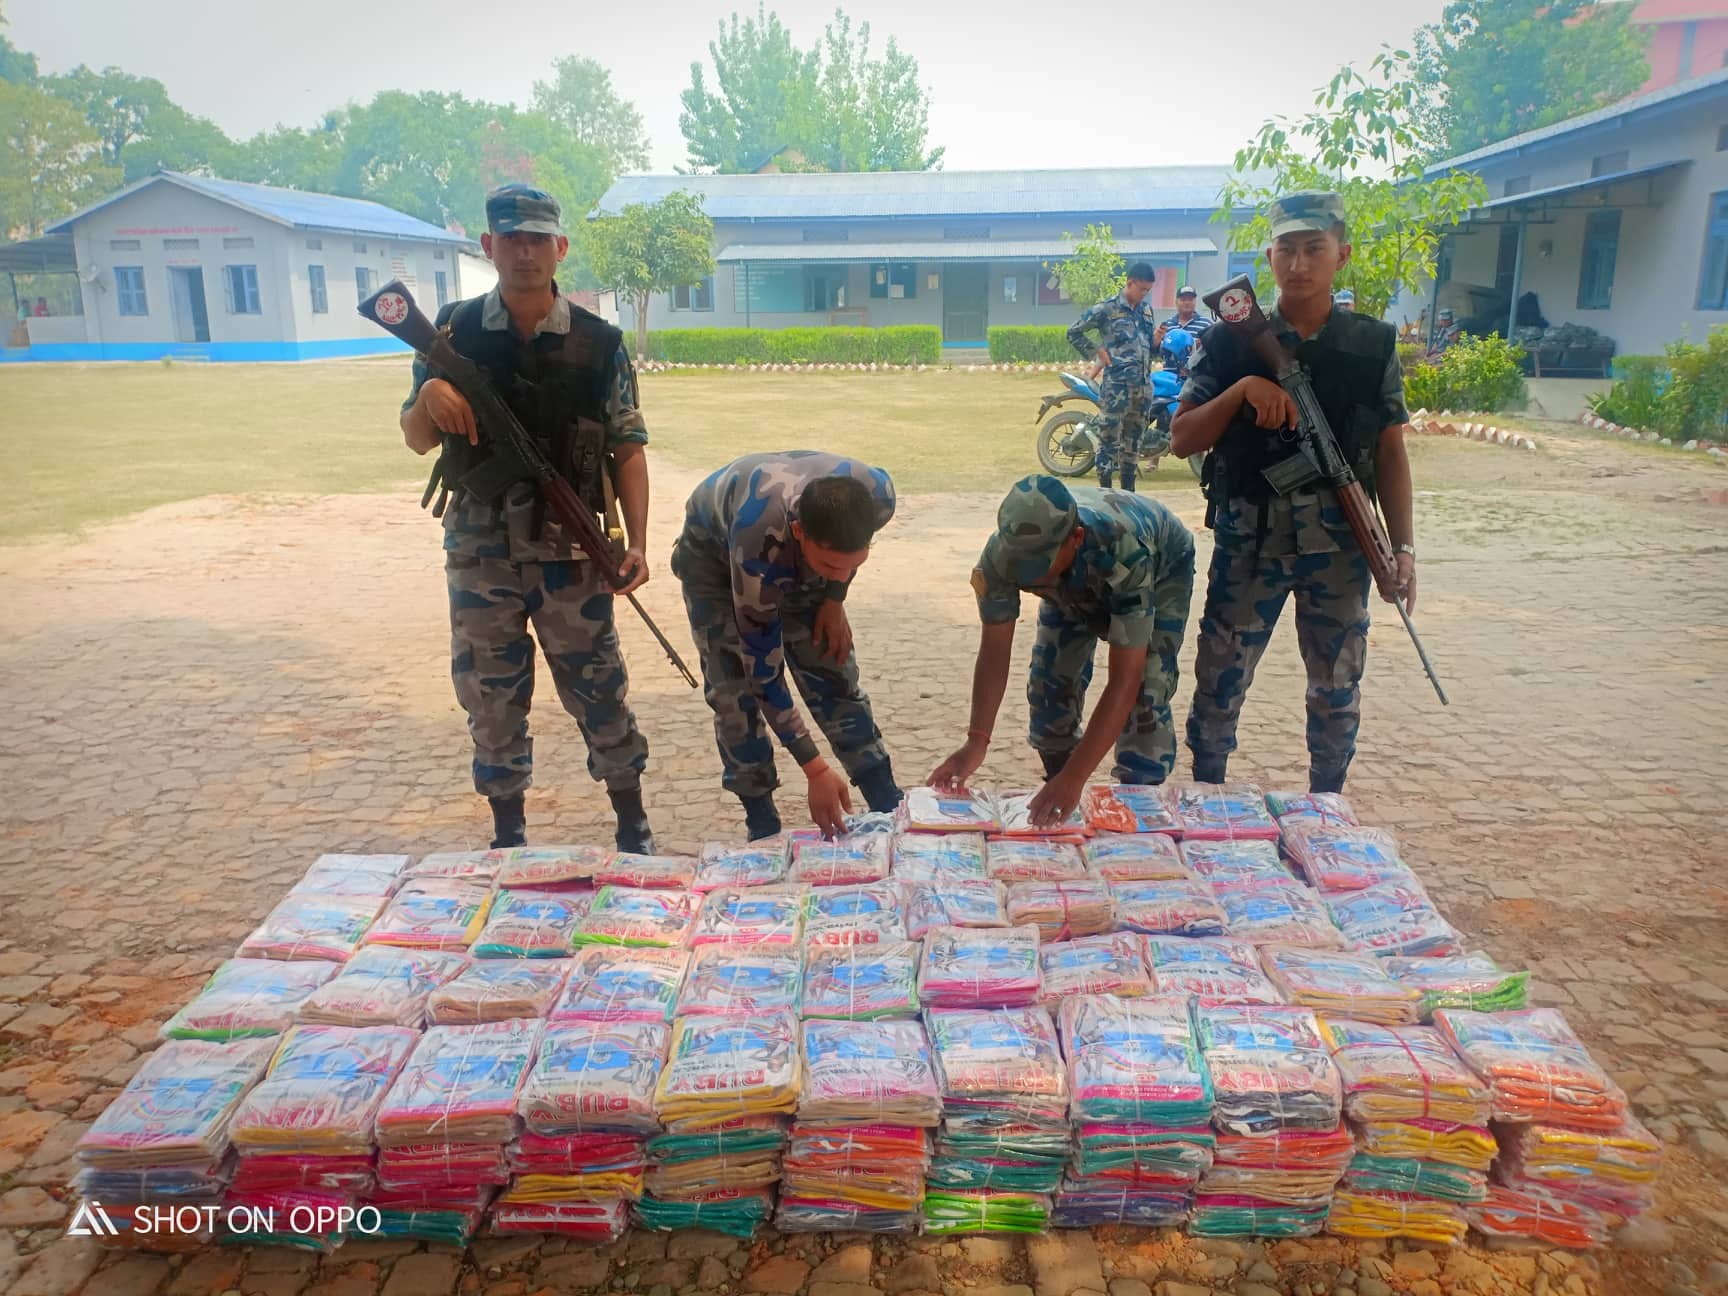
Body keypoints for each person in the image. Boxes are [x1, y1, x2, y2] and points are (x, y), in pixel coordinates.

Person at [398, 182, 656, 853]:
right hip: (481, 553)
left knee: (598, 687)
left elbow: (628, 446)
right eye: (510, 237)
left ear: (560, 247)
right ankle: (507, 835)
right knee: (490, 692)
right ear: (488, 246)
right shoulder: (449, 331)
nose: (524, 251)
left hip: (571, 552)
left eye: (537, 238)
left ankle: (632, 824)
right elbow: (417, 438)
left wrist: (636, 542)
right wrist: (430, 391)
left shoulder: (599, 343)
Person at [1171, 191, 1415, 795]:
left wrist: (1402, 548)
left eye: (1315, 249)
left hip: (1340, 549)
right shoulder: (1230, 339)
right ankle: (1207, 798)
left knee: (1337, 685)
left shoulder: (1372, 344)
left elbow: (1389, 452)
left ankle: (1326, 809)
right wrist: (1243, 390)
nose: (1299, 264)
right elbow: (1180, 438)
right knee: (1220, 678)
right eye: (1287, 249)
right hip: (1249, 539)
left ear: (1342, 255)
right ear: (1269, 255)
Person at [931, 474, 1195, 826]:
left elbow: (1124, 682)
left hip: (1159, 566)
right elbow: (995, 652)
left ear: (1076, 538)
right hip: (1070, 582)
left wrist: (1077, 777)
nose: (1030, 577)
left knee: (1146, 692)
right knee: (1048, 687)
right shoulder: (1001, 558)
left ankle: (1139, 811)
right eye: (1021, 567)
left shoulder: (1123, 552)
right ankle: (1063, 797)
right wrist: (976, 743)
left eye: (1037, 566)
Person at [672, 451, 903, 840]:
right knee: (734, 693)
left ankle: (886, 799)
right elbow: (763, 671)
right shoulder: (756, 544)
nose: (843, 573)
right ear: (799, 532)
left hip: (789, 546)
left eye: (853, 563)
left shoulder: (879, 496)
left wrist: (834, 596)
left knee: (831, 666)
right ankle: (761, 822)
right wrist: (815, 770)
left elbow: (841, 559)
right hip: (712, 563)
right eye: (831, 567)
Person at [1066, 262, 1159, 491]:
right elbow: (1073, 332)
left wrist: (1156, 341)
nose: (1145, 294)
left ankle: (1129, 493)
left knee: (1133, 443)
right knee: (1109, 442)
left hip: (1143, 388)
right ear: (1130, 283)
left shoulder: (1146, 311)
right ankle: (1105, 492)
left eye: (1148, 290)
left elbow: (1149, 348)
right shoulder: (1106, 309)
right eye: (1142, 289)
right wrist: (1097, 351)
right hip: (1117, 389)